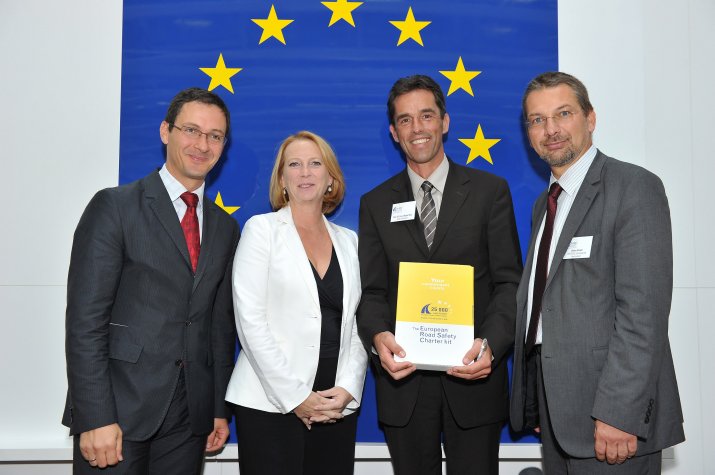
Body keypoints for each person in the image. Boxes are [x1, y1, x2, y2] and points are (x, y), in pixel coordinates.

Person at [509, 71, 685, 473]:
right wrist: (541, 401)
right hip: (559, 417)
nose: (551, 130)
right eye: (537, 120)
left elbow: (643, 315)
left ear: (590, 118)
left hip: (611, 420)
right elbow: (545, 308)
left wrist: (620, 412)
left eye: (563, 114)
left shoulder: (633, 187)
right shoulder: (544, 205)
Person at [63, 87, 240, 474]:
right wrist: (94, 416)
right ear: (165, 131)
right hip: (117, 415)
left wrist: (217, 408)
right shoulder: (115, 207)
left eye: (215, 136)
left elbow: (218, 326)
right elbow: (85, 322)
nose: (202, 145)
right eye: (191, 130)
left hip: (189, 422)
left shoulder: (225, 227)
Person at [357, 75, 523, 474]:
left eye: (426, 116)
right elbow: (372, 292)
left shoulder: (490, 192)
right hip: (405, 386)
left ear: (445, 122)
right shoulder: (375, 204)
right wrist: (378, 338)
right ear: (394, 132)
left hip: (474, 380)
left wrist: (491, 344)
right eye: (405, 120)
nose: (417, 128)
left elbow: (509, 283)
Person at [225, 131, 367, 474]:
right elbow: (250, 322)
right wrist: (296, 397)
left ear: (331, 178)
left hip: (334, 405)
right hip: (269, 404)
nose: (305, 172)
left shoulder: (350, 242)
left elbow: (359, 325)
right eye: (294, 164)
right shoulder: (261, 231)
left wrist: (348, 388)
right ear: (282, 180)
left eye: (315, 163)